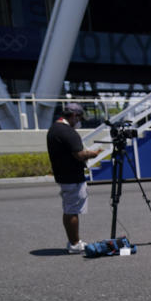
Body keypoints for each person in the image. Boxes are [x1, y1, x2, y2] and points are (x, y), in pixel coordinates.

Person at [46, 103, 102, 253]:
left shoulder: (54, 129)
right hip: (72, 177)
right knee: (72, 210)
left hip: (63, 175)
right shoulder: (67, 132)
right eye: (78, 118)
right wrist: (93, 153)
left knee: (69, 209)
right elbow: (79, 154)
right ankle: (75, 244)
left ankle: (73, 241)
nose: (79, 122)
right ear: (74, 115)